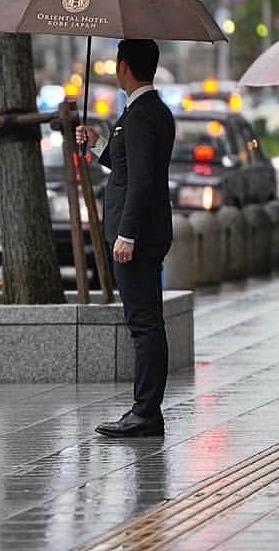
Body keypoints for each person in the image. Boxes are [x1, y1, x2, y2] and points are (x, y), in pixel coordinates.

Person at [76, 39, 175, 438]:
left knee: (144, 324)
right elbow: (124, 164)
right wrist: (97, 142)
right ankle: (146, 409)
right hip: (145, 230)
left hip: (139, 234)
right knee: (146, 321)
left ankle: (146, 412)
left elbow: (142, 180)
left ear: (123, 65)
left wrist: (127, 234)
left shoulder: (140, 115)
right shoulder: (146, 112)